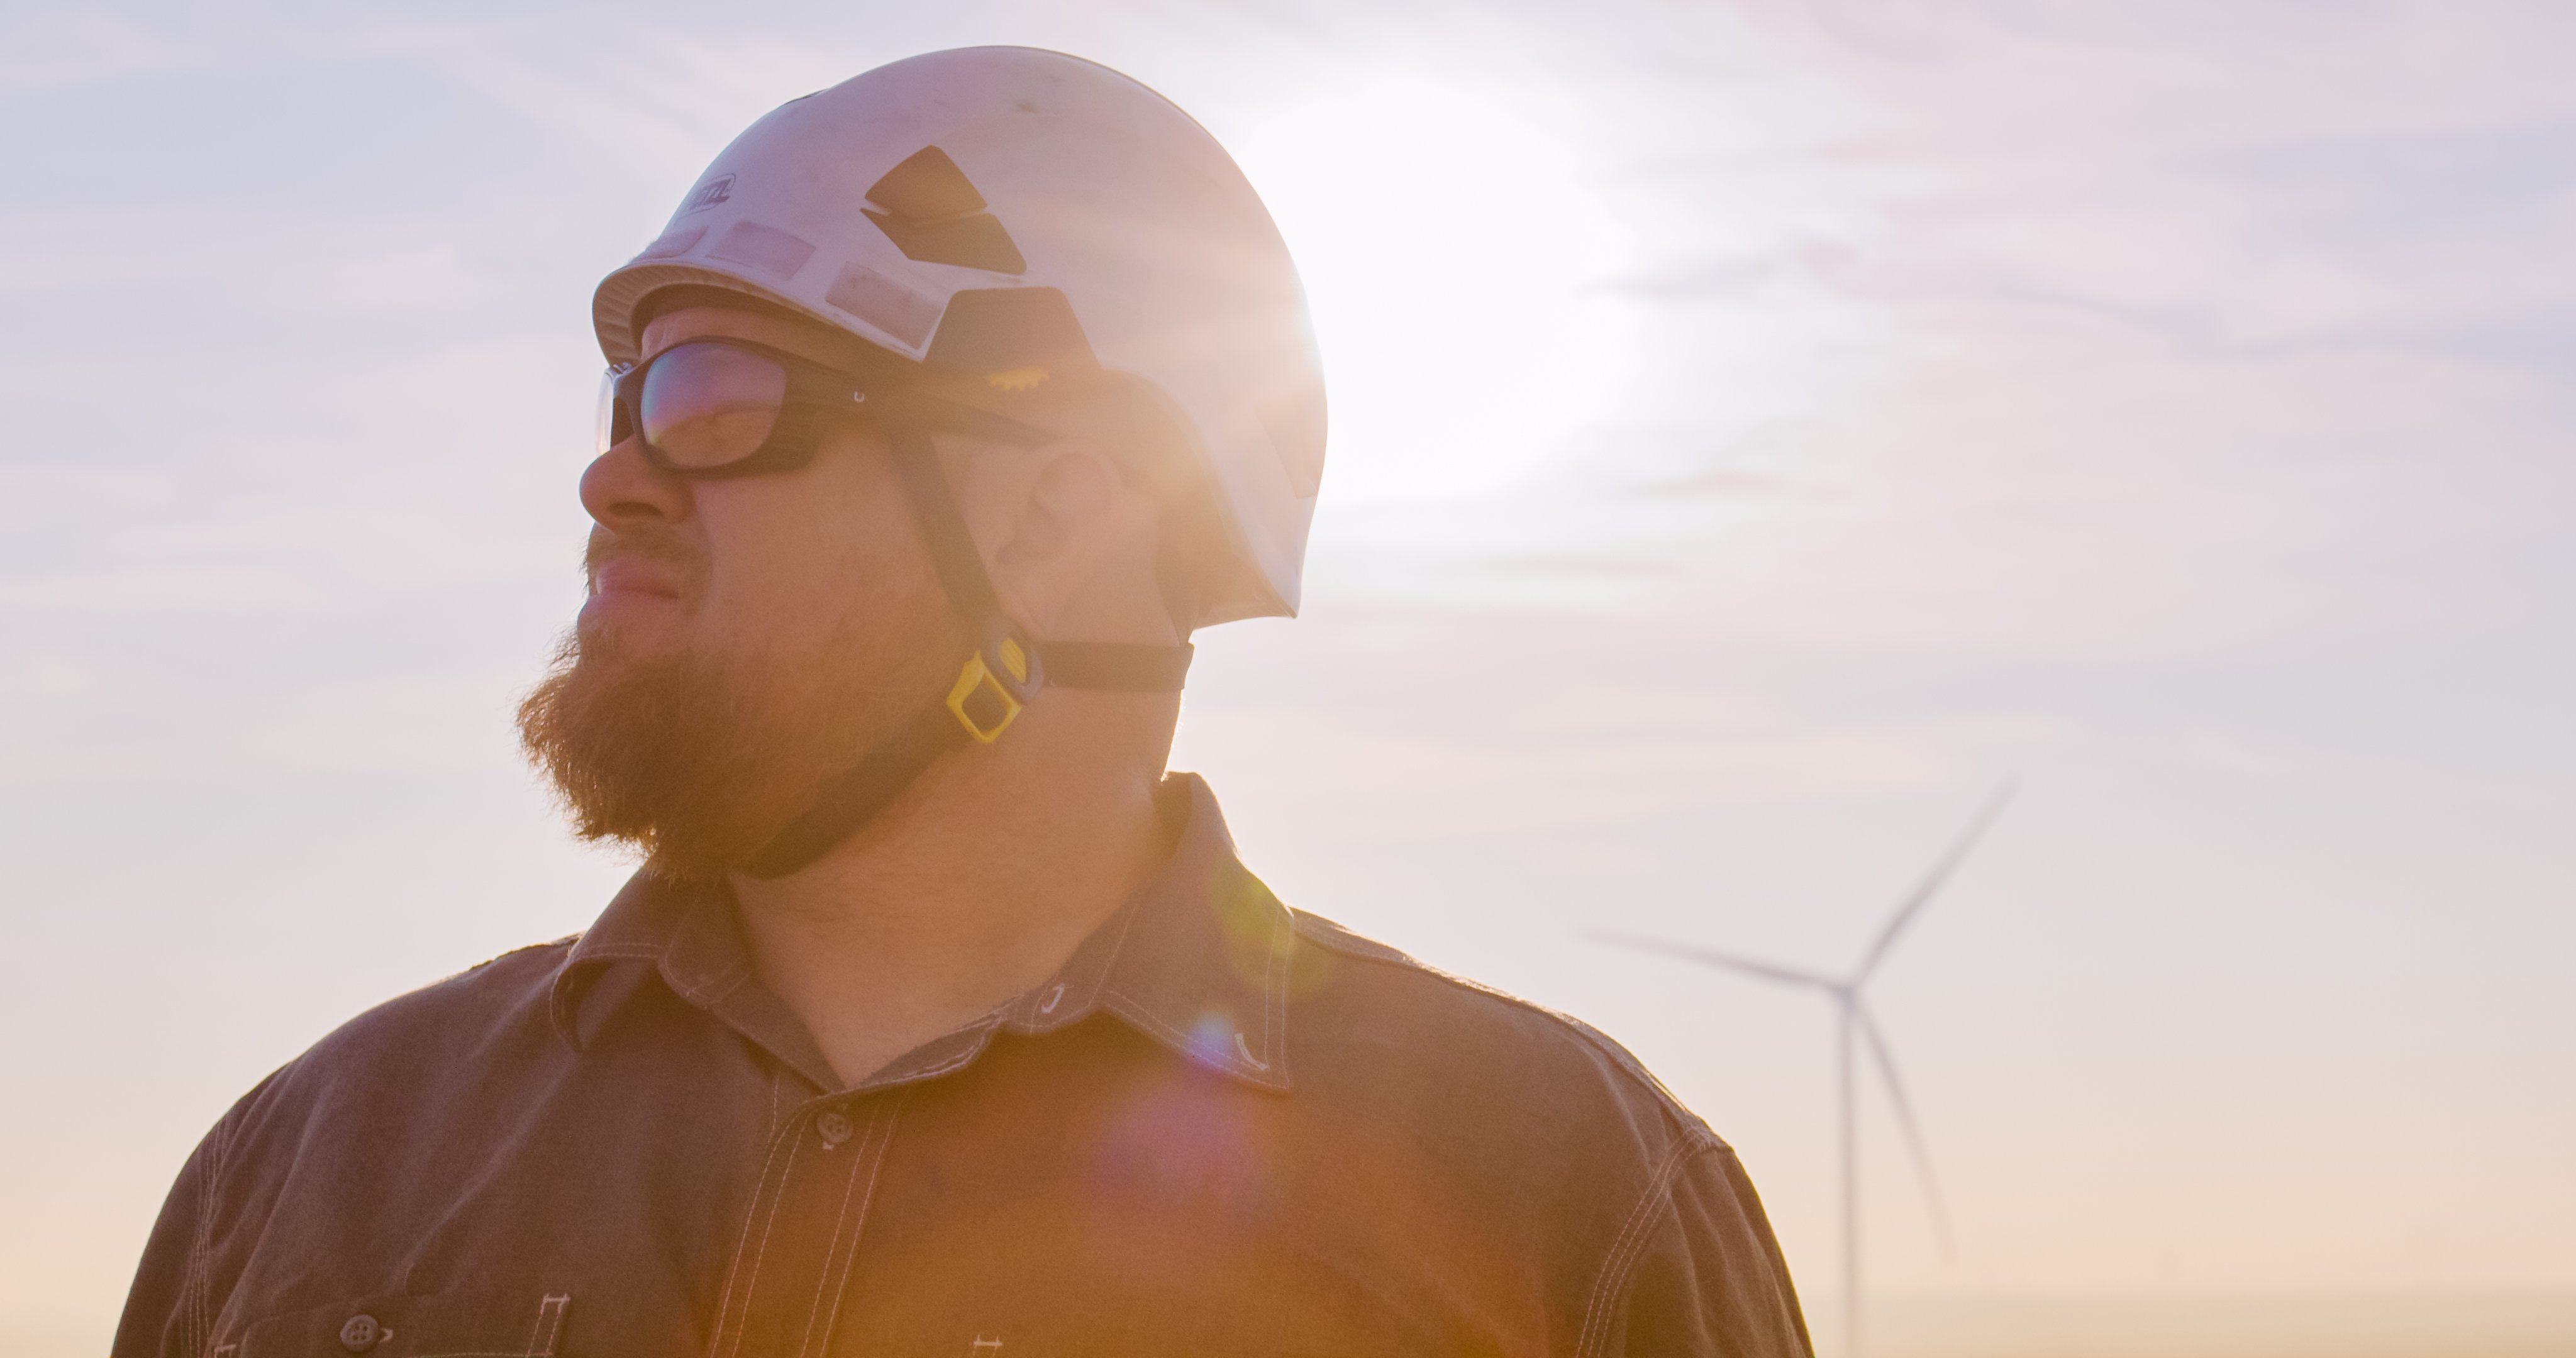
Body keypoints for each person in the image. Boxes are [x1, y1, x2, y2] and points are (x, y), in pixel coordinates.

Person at [113, 47, 1812, 1358]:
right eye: (624, 397)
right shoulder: (323, 1158)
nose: (611, 477)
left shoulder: (1562, 1198)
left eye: (716, 396)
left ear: (1056, 518)